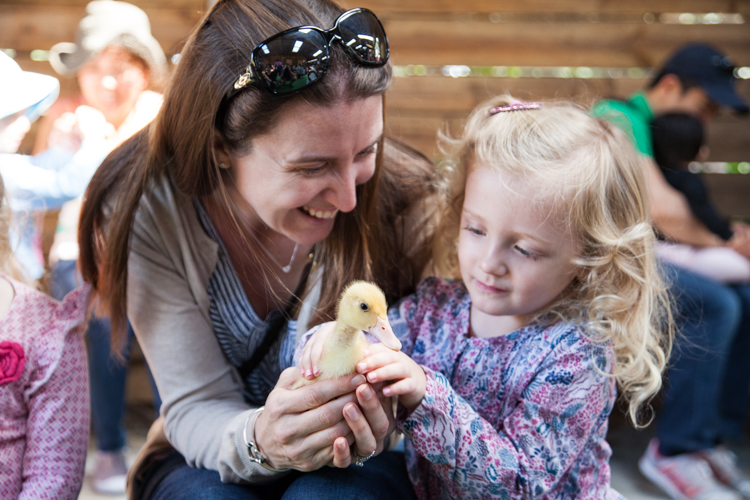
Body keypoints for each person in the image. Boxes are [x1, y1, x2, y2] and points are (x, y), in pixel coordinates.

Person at [77, 0, 438, 498]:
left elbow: (452, 375)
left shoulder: (410, 202)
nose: (349, 198)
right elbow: (197, 404)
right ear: (219, 146)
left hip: (360, 467)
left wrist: (393, 413)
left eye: (366, 151)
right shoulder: (145, 209)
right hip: (207, 453)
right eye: (312, 168)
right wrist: (263, 443)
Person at [297, 95, 673, 498]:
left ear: (588, 257)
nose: (490, 262)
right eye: (476, 230)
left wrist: (426, 396)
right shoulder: (436, 308)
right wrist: (330, 342)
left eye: (524, 249)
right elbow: (369, 343)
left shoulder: (576, 357)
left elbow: (520, 487)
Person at [593, 43, 750, 499]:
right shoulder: (618, 118)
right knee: (714, 303)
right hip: (609, 265)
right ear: (669, 85)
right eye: (705, 106)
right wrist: (729, 244)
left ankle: (705, 440)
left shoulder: (659, 132)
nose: (707, 121)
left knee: (742, 297)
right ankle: (674, 451)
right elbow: (664, 212)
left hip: (649, 260)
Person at [29, 1, 167, 494]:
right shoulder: (66, 116)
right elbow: (49, 190)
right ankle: (109, 447)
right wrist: (66, 149)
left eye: (121, 70)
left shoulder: (158, 115)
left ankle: (173, 437)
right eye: (96, 70)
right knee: (101, 305)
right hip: (83, 259)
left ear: (144, 72)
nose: (108, 84)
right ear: (80, 73)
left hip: (154, 256)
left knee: (164, 309)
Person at [0, 65, 91, 500]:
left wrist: (64, 147)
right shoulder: (9, 174)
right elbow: (63, 182)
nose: (22, 124)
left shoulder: (11, 170)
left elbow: (44, 171)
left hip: (18, 285)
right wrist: (93, 145)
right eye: (9, 116)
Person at [651, 113, 750, 283]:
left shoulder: (654, 175)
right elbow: (705, 212)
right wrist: (728, 236)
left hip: (659, 246)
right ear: (695, 148)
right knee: (743, 269)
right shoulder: (689, 179)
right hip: (678, 251)